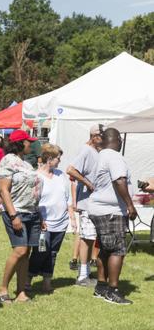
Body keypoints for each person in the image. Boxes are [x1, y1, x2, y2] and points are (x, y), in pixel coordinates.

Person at [87, 127, 137, 305]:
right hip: (110, 211)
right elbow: (119, 180)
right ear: (116, 139)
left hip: (100, 209)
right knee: (117, 249)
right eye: (120, 139)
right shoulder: (114, 156)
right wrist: (130, 205)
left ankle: (101, 287)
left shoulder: (101, 155)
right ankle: (112, 291)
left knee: (105, 248)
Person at [0, 130, 42, 305]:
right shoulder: (7, 161)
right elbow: (3, 190)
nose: (31, 144)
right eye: (28, 141)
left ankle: (21, 291)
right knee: (20, 250)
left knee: (26, 253)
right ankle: (3, 288)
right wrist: (13, 214)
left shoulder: (26, 164)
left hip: (32, 212)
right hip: (17, 212)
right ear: (20, 143)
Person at [26, 145, 72, 293]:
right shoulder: (36, 176)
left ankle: (47, 282)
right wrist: (40, 219)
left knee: (53, 252)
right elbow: (33, 201)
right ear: (50, 159)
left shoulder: (60, 175)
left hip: (61, 221)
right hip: (43, 222)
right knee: (40, 252)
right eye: (58, 158)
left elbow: (67, 196)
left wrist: (71, 214)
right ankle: (27, 280)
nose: (60, 161)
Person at [66, 124, 103, 287]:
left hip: (93, 202)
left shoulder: (96, 151)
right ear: (94, 136)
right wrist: (88, 183)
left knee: (90, 238)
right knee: (86, 238)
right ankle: (82, 275)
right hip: (87, 203)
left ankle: (85, 273)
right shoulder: (86, 150)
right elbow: (71, 170)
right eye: (102, 136)